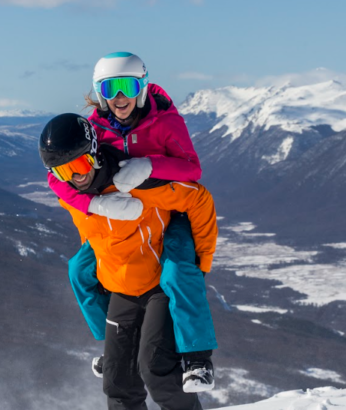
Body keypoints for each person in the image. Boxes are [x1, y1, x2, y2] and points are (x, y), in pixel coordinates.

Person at [47, 52, 218, 392]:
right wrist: (94, 204)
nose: (120, 97)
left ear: (142, 86)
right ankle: (107, 346)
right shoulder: (94, 128)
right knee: (79, 272)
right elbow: (57, 179)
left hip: (170, 212)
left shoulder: (165, 122)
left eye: (128, 86)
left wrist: (151, 166)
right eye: (110, 89)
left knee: (178, 271)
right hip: (114, 215)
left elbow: (192, 171)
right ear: (99, 92)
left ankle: (197, 358)